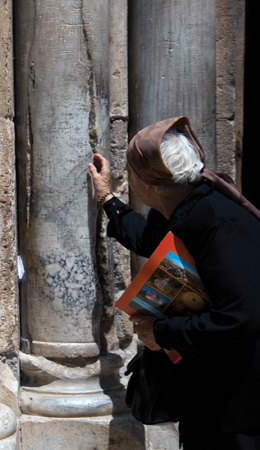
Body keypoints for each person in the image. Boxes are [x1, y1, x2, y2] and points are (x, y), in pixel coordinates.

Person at [88, 116, 260, 449]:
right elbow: (150, 241)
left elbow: (242, 317)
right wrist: (107, 198)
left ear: (146, 183)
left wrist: (162, 333)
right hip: (212, 395)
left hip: (240, 408)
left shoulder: (217, 222)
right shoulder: (182, 207)